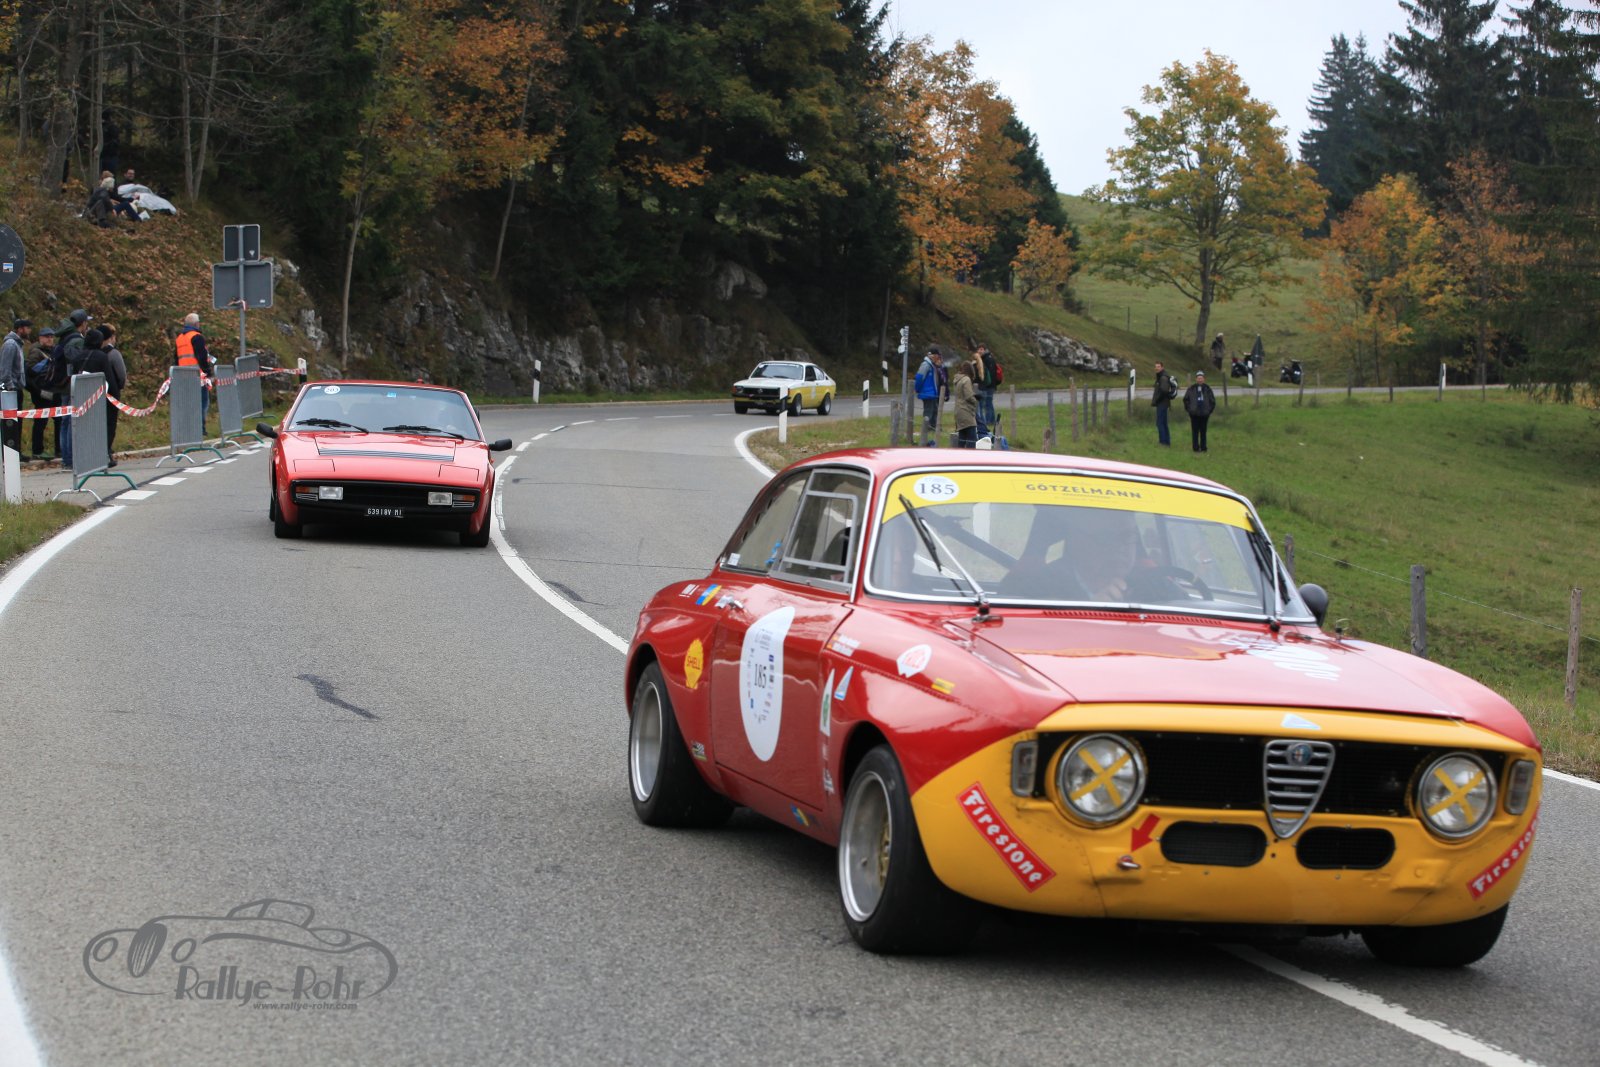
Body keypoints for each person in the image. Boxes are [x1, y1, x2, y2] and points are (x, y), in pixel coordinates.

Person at [54, 309, 93, 467]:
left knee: (65, 421)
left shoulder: (64, 338)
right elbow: (79, 361)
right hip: (72, 385)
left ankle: (66, 458)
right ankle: (71, 459)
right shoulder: (77, 340)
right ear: (83, 323)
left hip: (64, 384)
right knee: (71, 421)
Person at [175, 312, 214, 430]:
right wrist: (208, 372)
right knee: (202, 403)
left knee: (188, 403)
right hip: (198, 376)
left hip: (183, 376)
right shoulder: (196, 337)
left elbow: (176, 358)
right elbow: (202, 357)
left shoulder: (179, 338)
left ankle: (189, 428)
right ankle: (200, 428)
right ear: (197, 324)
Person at [26, 326, 60, 458]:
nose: (50, 339)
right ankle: (37, 451)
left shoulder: (53, 351)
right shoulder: (36, 352)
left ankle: (59, 449)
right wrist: (38, 390)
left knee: (59, 419)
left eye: (51, 337)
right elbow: (30, 372)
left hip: (53, 390)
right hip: (41, 392)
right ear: (40, 338)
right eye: (47, 337)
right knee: (41, 421)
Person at [98, 324, 128, 461]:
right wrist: (119, 386)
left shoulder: (94, 353)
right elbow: (121, 374)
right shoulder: (113, 354)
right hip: (111, 392)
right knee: (110, 422)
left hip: (95, 394)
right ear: (110, 338)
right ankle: (107, 450)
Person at [0, 318, 29, 453]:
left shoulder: (18, 344)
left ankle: (16, 451)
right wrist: (11, 387)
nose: (29, 331)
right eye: (27, 328)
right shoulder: (11, 345)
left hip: (17, 388)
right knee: (11, 424)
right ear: (20, 329)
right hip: (11, 390)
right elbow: (5, 370)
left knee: (17, 422)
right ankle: (11, 452)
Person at [914, 345, 944, 446]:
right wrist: (917, 389)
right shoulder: (925, 365)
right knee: (928, 412)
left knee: (934, 411)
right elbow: (919, 377)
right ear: (932, 355)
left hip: (932, 393)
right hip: (927, 393)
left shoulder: (931, 365)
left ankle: (934, 429)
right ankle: (926, 430)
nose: (938, 358)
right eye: (937, 356)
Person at [1184, 370, 1216, 453]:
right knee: (1195, 431)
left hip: (1204, 414)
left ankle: (1203, 447)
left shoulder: (1207, 389)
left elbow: (1212, 401)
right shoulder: (1191, 389)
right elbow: (1186, 399)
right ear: (1196, 379)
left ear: (1204, 379)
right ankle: (1195, 447)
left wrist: (1209, 411)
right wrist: (1189, 410)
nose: (1200, 380)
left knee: (1203, 431)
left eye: (1201, 378)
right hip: (1194, 414)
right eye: (1198, 378)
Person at [952, 359, 978, 448]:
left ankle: (960, 454)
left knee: (962, 436)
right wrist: (975, 401)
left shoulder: (958, 380)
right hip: (966, 411)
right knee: (972, 437)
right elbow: (969, 396)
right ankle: (970, 455)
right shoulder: (966, 380)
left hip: (958, 410)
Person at [1149, 360, 1176, 447]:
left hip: (1162, 403)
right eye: (1156, 367)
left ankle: (1163, 442)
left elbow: (1164, 391)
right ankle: (1166, 442)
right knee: (1163, 423)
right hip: (1164, 403)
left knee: (1160, 423)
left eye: (1158, 367)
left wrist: (1157, 400)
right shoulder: (1160, 376)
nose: (1156, 368)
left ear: (1162, 367)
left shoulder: (1163, 378)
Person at [976, 343, 999, 434]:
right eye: (979, 349)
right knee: (988, 403)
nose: (980, 351)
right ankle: (991, 419)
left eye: (981, 349)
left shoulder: (988, 359)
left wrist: (987, 384)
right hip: (989, 385)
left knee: (987, 404)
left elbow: (991, 374)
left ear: (985, 350)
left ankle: (989, 420)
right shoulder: (985, 358)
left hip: (989, 386)